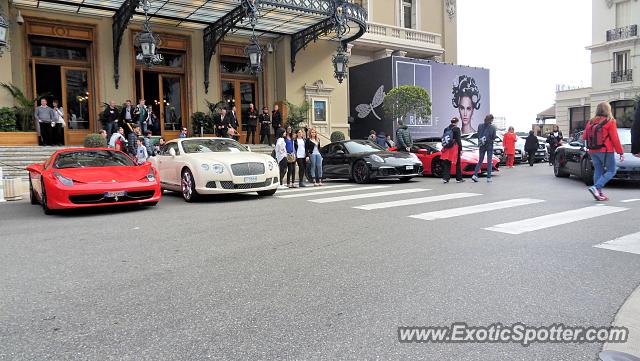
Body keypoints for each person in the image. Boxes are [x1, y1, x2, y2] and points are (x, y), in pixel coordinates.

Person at [584, 102, 624, 201]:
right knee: (611, 170)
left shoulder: (591, 122)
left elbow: (584, 136)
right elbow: (615, 138)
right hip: (605, 150)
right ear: (608, 110)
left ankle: (599, 193)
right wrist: (620, 152)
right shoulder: (610, 121)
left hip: (592, 150)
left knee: (598, 170)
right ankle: (596, 187)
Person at [471, 114, 497, 183]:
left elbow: (478, 134)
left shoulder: (480, 125)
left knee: (480, 161)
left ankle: (475, 175)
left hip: (481, 145)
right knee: (489, 161)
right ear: (491, 120)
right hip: (489, 145)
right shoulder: (493, 128)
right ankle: (488, 177)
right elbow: (494, 137)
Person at [440, 117, 464, 183]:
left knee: (447, 163)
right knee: (457, 162)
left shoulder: (446, 129)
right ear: (457, 122)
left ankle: (446, 178)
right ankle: (459, 179)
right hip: (454, 148)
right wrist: (461, 149)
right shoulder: (457, 129)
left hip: (447, 148)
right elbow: (458, 140)